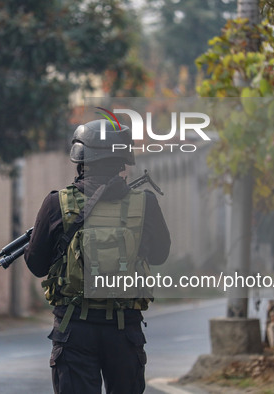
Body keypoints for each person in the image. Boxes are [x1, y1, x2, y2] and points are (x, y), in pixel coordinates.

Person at [24, 119, 171, 394]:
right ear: (123, 161)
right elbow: (161, 254)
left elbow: (36, 265)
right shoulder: (145, 203)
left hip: (74, 328)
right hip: (125, 329)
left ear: (80, 159)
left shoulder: (57, 204)